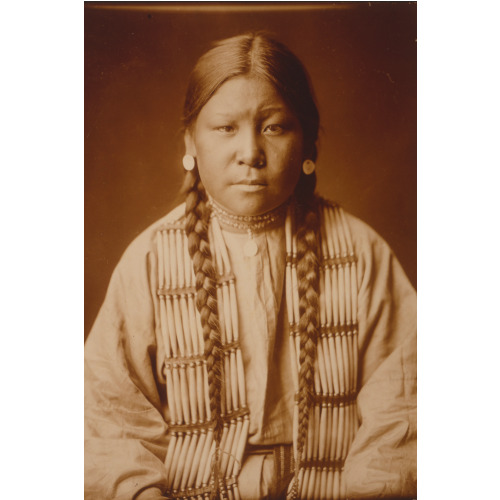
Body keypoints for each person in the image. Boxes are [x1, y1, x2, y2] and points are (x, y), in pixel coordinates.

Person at [84, 32, 416, 500]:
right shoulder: (151, 260)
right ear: (190, 142)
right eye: (225, 128)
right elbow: (109, 416)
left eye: (274, 126)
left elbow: (403, 408)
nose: (250, 153)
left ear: (306, 142)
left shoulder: (360, 252)